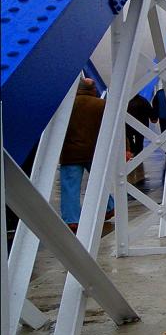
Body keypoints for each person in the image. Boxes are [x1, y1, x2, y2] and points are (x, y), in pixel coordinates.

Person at [60, 78, 115, 233]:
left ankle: (72, 219)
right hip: (95, 151)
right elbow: (114, 125)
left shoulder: (67, 105)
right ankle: (109, 207)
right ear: (93, 89)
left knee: (70, 187)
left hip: (71, 153)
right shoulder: (101, 105)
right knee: (98, 181)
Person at [126, 93, 155, 186]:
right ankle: (138, 157)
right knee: (139, 142)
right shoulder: (143, 100)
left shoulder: (126, 101)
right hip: (141, 126)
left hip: (128, 127)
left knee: (130, 141)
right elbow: (150, 111)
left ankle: (132, 154)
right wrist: (153, 118)